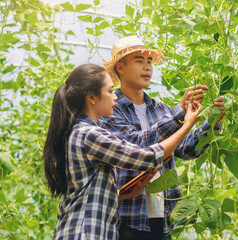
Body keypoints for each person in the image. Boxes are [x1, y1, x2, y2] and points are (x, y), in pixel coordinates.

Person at [43, 64, 202, 239]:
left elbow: (88, 190)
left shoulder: (83, 130)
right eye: (110, 91)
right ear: (92, 98)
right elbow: (146, 157)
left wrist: (119, 195)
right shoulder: (89, 134)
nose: (115, 97)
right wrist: (187, 125)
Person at [102, 36, 226, 239]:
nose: (147, 67)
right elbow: (137, 147)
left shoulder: (159, 108)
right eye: (139, 61)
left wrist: (211, 123)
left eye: (150, 62)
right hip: (128, 217)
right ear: (121, 68)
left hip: (164, 213)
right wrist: (179, 113)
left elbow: (186, 149)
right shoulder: (111, 110)